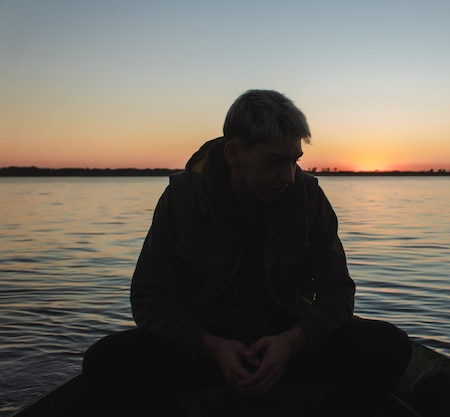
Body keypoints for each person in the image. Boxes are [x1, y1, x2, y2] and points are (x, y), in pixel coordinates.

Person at [82, 89, 412, 416]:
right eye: (275, 161)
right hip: (206, 351)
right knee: (105, 362)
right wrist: (209, 346)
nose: (289, 176)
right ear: (233, 154)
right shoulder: (181, 201)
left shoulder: (309, 199)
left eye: (295, 161)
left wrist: (292, 341)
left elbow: (338, 292)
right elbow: (149, 296)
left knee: (389, 346)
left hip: (285, 348)